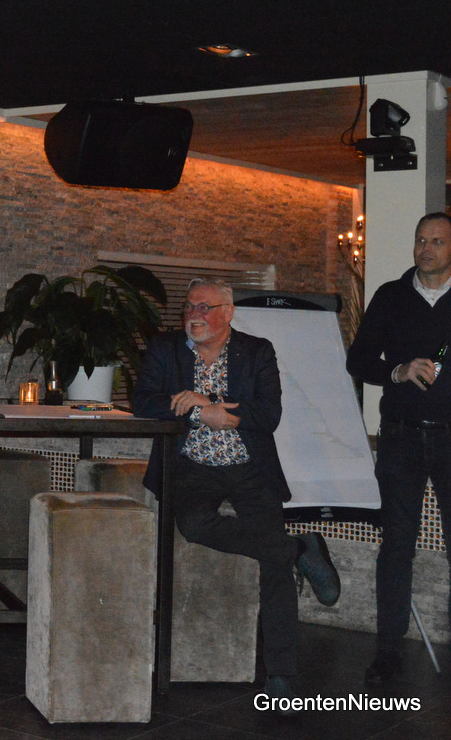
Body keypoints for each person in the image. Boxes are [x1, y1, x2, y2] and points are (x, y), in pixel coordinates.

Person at [132, 278, 341, 703]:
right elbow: (143, 402)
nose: (194, 316)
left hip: (249, 467)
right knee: (194, 525)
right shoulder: (165, 349)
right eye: (190, 307)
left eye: (205, 308)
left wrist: (211, 404)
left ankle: (280, 676)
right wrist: (196, 414)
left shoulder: (257, 351)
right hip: (193, 466)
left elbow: (269, 414)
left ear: (228, 312)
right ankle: (299, 547)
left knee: (272, 562)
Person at [346, 211, 451, 686]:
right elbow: (358, 359)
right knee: (396, 547)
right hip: (401, 436)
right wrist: (398, 370)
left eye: (437, 241)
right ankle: (388, 650)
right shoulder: (390, 296)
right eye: (420, 240)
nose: (426, 249)